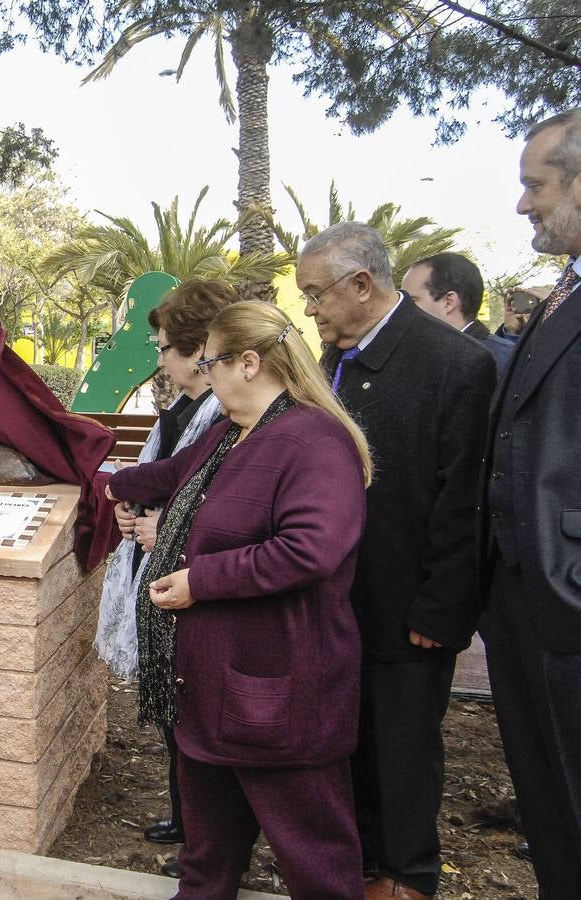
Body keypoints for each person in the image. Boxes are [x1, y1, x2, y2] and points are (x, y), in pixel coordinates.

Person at [106, 301, 373, 899]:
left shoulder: (315, 442)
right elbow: (172, 476)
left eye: (211, 363)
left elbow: (312, 550)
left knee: (314, 852)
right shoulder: (230, 431)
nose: (203, 375)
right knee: (207, 850)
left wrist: (201, 579)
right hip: (206, 684)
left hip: (279, 690)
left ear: (248, 362)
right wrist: (102, 479)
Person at [297, 222, 495, 900]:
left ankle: (405, 874)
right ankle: (358, 862)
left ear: (360, 284)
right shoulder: (333, 362)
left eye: (315, 295)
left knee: (404, 747)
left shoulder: (455, 364)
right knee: (347, 739)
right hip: (336, 599)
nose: (311, 311)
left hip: (408, 605)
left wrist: (441, 607)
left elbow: (464, 495)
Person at [96, 281, 235, 870]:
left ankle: (209, 842)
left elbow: (220, 496)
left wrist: (169, 531)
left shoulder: (222, 415)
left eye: (163, 347)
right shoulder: (182, 410)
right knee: (173, 706)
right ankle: (189, 821)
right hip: (162, 570)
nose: (158, 359)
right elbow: (164, 476)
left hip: (195, 579)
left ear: (197, 347)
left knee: (195, 709)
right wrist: (133, 507)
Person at [481, 107, 581, 898]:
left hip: (565, 607)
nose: (521, 206)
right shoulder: (562, 294)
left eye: (533, 186)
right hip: (527, 613)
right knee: (553, 820)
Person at [401, 252, 515, 374]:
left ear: (448, 302)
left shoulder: (506, 360)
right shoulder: (415, 355)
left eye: (411, 300)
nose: (402, 308)